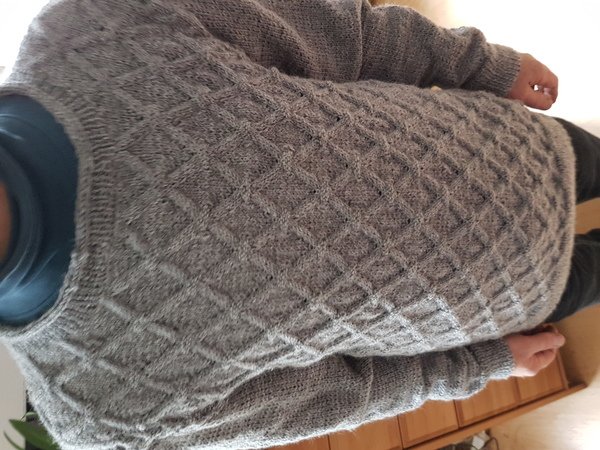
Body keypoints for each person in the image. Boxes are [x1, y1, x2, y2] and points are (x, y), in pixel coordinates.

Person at [0, 0, 595, 448]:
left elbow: (341, 34)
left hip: (508, 145)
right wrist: (482, 366)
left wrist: (482, 65)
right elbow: (346, 396)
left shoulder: (87, 33)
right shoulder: (98, 411)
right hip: (509, 294)